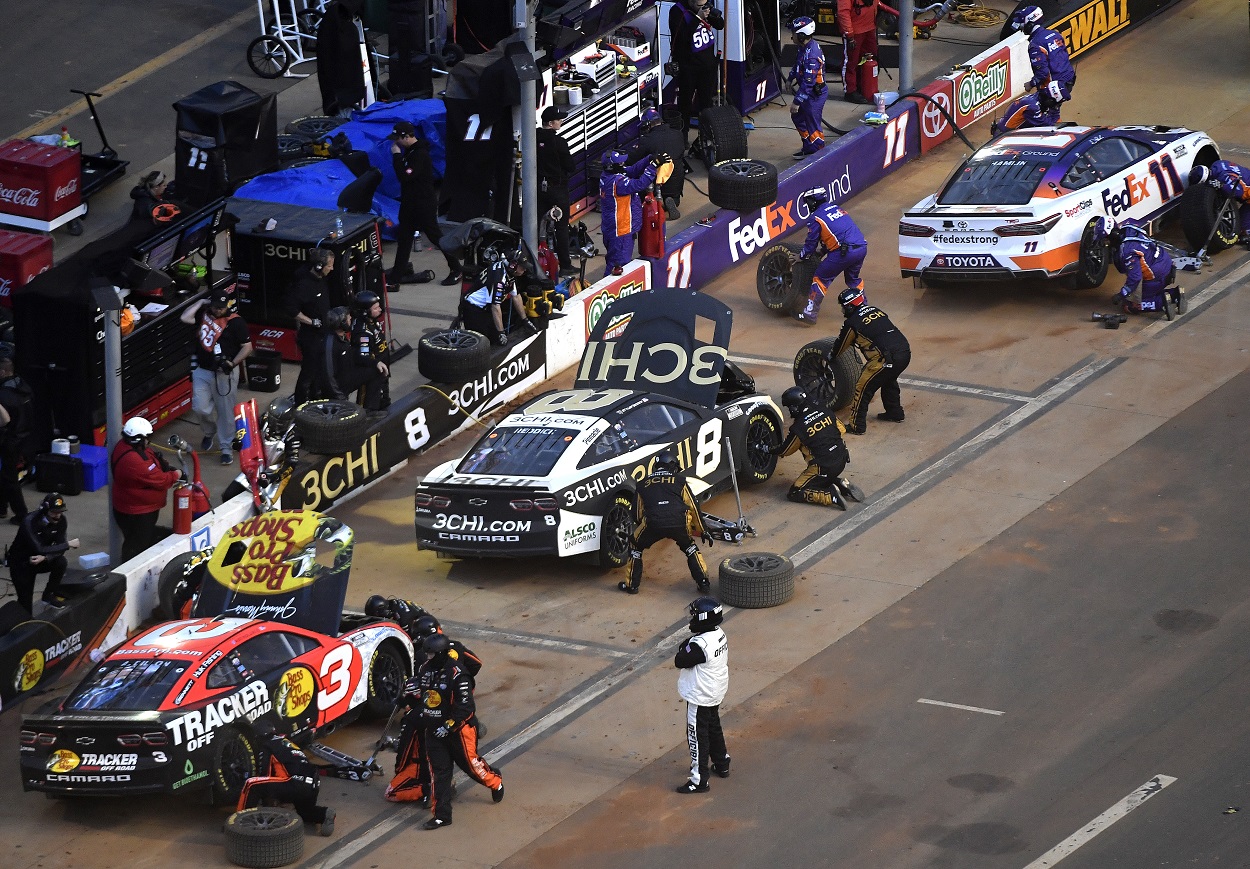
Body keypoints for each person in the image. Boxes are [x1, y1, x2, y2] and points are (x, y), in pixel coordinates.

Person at [418, 633, 504, 829]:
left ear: (440, 653)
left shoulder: (458, 674)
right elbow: (423, 696)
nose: (427, 658)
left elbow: (466, 708)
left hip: (459, 731)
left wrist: (448, 725)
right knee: (440, 773)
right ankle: (442, 816)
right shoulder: (424, 669)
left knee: (471, 767)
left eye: (431, 654)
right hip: (433, 731)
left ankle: (495, 780)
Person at [621, 449, 711, 596]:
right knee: (689, 546)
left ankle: (632, 585)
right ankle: (703, 583)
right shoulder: (680, 481)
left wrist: (649, 523)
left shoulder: (642, 484)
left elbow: (636, 513)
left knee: (635, 546)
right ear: (672, 465)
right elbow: (694, 506)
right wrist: (703, 530)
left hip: (653, 523)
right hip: (679, 522)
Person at [180, 291, 253, 465]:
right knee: (200, 407)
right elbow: (185, 317)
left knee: (225, 412)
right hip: (202, 370)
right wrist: (200, 302)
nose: (217, 310)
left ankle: (226, 447)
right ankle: (209, 431)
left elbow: (248, 347)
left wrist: (232, 363)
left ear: (227, 305)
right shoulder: (203, 314)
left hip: (224, 374)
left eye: (221, 307)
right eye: (214, 306)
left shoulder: (236, 322)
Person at [387, 121, 461, 287]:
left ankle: (456, 268)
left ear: (406, 137)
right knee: (404, 240)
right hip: (409, 205)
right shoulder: (411, 152)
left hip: (422, 205)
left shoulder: (419, 155)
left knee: (436, 237)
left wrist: (397, 156)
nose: (395, 143)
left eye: (398, 138)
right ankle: (395, 277)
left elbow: (406, 176)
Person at [829, 287, 911, 434]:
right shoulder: (875, 310)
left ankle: (857, 426)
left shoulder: (852, 323)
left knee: (862, 388)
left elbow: (841, 345)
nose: (842, 310)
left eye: (843, 307)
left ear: (850, 306)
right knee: (888, 378)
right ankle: (895, 413)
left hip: (885, 358)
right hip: (904, 353)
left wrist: (831, 356)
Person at [238, 715, 336, 836]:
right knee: (304, 813)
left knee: (252, 784)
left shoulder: (267, 745)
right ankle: (324, 814)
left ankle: (239, 822)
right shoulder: (286, 742)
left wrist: (266, 800)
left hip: (294, 783)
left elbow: (264, 773)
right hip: (313, 784)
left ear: (259, 736)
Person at [773, 387, 865, 510]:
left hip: (823, 466)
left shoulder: (798, 428)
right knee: (819, 479)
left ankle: (830, 495)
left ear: (794, 407)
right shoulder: (825, 411)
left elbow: (785, 451)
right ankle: (840, 483)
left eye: (789, 407)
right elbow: (842, 429)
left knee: (795, 492)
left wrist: (769, 449)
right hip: (842, 458)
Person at [674, 596, 730, 794]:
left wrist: (687, 644)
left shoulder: (699, 645)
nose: (692, 618)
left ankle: (699, 780)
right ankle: (722, 763)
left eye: (695, 615)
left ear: (703, 619)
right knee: (713, 725)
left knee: (697, 735)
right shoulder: (719, 633)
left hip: (700, 695)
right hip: (715, 691)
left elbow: (680, 658)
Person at [111, 417, 182, 562]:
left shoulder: (128, 448)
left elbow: (152, 460)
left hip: (138, 509)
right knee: (135, 548)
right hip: (138, 512)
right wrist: (177, 474)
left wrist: (167, 468)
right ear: (137, 439)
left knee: (141, 540)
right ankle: (126, 576)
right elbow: (161, 480)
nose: (148, 441)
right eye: (146, 438)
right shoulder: (133, 460)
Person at [794, 187, 867, 325]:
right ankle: (863, 310)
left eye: (808, 201)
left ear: (814, 200)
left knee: (820, 278)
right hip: (861, 248)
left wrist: (801, 256)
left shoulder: (815, 218)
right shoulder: (836, 208)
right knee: (853, 280)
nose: (808, 205)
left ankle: (810, 313)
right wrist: (823, 252)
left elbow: (810, 244)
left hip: (845, 253)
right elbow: (838, 233)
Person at [8, 492, 79, 612]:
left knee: (61, 562)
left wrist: (46, 558)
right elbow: (39, 548)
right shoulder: (29, 522)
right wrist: (68, 545)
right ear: (45, 510)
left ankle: (48, 594)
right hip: (22, 564)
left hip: (40, 559)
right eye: (54, 512)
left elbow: (59, 547)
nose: (58, 516)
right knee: (25, 603)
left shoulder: (61, 521)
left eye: (60, 512)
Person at [668, 0, 725, 142]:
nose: (704, 7)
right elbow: (681, 38)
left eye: (705, 3)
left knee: (707, 104)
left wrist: (712, 15)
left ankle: (705, 138)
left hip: (707, 66)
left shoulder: (705, 6)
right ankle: (683, 137)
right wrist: (698, 18)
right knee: (685, 103)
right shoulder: (677, 11)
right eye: (700, 5)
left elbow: (720, 25)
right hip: (688, 67)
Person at [599, 149, 661, 277]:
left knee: (617, 262)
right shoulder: (617, 183)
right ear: (613, 166)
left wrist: (649, 157)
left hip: (616, 229)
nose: (623, 164)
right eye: (620, 163)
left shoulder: (608, 175)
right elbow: (640, 184)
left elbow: (632, 170)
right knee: (617, 266)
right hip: (620, 232)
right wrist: (653, 166)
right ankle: (611, 294)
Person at [458, 252, 539, 346]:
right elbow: (495, 307)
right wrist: (501, 333)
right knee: (481, 343)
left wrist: (525, 320)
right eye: (522, 267)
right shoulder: (499, 279)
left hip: (486, 308)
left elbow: (516, 296)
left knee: (494, 339)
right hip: (474, 309)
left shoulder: (508, 272)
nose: (525, 269)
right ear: (513, 265)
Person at [286, 249, 334, 404]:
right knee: (308, 372)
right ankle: (300, 403)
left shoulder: (321, 279)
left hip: (323, 334)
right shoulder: (304, 285)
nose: (332, 269)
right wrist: (311, 321)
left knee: (320, 370)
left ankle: (315, 397)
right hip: (310, 337)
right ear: (319, 266)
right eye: (330, 265)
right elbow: (291, 309)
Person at [1104, 219, 1183, 315]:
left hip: (1158, 274)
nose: (1105, 244)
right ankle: (1175, 293)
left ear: (1112, 236)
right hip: (1167, 263)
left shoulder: (1127, 252)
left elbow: (1135, 278)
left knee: (1128, 306)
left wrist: (1122, 294)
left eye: (1106, 240)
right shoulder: (1128, 228)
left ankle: (1162, 303)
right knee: (1142, 290)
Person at [1011, 5, 1076, 119]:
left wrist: (1030, 84)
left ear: (1030, 24)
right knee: (1054, 111)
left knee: (1041, 116)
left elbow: (1042, 73)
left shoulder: (1035, 44)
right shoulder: (1055, 34)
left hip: (1054, 86)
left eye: (1022, 24)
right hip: (1068, 79)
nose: (1021, 28)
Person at [536, 106, 578, 276]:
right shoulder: (559, 142)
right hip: (557, 189)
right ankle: (565, 265)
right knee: (561, 227)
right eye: (559, 119)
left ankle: (535, 261)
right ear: (551, 123)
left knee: (537, 225)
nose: (561, 121)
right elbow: (570, 166)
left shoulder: (533, 137)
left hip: (538, 189)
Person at [322, 306, 388, 413]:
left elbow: (355, 355)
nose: (351, 319)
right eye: (348, 318)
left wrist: (375, 362)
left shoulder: (342, 337)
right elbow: (328, 375)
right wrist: (340, 398)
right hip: (337, 388)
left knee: (376, 370)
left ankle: (370, 411)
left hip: (346, 375)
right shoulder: (330, 343)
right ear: (342, 323)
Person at [630, 106, 687, 220]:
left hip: (658, 184)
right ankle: (672, 201)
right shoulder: (678, 134)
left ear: (648, 125)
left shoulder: (647, 140)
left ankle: (658, 202)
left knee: (641, 169)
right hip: (677, 180)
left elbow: (633, 160)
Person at [787, 17, 829, 159]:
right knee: (797, 116)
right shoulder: (803, 48)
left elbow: (808, 83)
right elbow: (797, 65)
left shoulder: (812, 55)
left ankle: (819, 152)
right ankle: (809, 146)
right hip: (808, 93)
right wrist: (790, 78)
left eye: (793, 32)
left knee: (812, 122)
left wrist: (797, 101)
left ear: (801, 35)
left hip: (815, 94)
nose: (791, 36)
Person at [1189, 161, 1250, 247]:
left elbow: (1238, 191)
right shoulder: (1216, 164)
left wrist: (1222, 186)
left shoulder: (1225, 178)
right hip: (1246, 177)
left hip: (1247, 193)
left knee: (1240, 228)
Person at [0, 356, 31, 523]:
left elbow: (4, 420)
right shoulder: (22, 385)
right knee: (5, 474)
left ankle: (21, 514)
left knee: (10, 478)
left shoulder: (4, 395)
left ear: (3, 372)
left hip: (10, 440)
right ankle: (2, 507)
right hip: (24, 435)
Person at [350, 290, 391, 413]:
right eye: (375, 308)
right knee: (367, 406)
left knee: (384, 399)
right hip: (372, 373)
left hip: (382, 369)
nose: (380, 310)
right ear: (365, 311)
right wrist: (376, 363)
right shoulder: (363, 333)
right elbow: (363, 355)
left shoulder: (372, 321)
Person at [837, 0, 878, 104]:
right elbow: (843, 12)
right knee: (851, 62)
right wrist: (849, 34)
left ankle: (864, 87)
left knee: (869, 59)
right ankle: (850, 91)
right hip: (854, 32)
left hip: (869, 28)